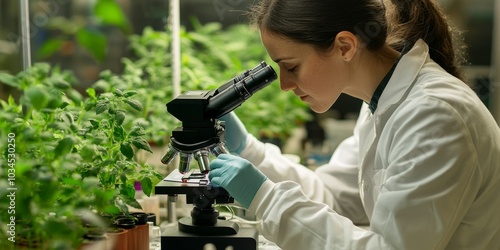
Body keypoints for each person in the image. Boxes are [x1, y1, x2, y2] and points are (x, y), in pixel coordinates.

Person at [208, 0, 500, 249]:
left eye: (292, 66)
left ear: (345, 46)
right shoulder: (381, 103)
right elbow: (334, 198)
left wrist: (265, 198)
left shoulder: (433, 115)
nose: (284, 84)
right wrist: (249, 151)